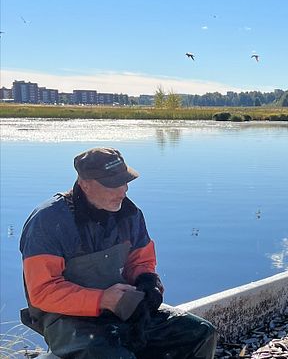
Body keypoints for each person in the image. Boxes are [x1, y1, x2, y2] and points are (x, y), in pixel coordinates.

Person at [19, 147, 217, 358]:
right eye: (112, 184)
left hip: (120, 307)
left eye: (125, 181)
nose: (123, 191)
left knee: (201, 333)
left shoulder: (130, 213)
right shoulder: (48, 220)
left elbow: (141, 262)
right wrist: (102, 299)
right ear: (85, 184)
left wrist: (147, 281)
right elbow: (42, 292)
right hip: (64, 317)